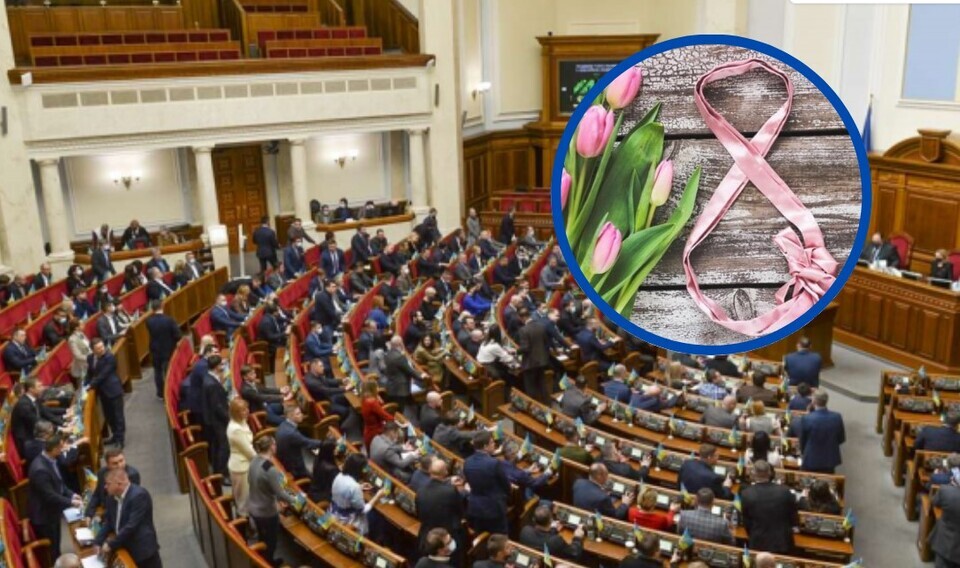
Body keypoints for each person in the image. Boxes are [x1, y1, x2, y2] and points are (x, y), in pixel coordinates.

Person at [93, 467, 162, 567]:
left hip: (142, 551)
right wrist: (98, 541)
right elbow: (109, 521)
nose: (105, 487)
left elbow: (131, 526)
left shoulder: (139, 496)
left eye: (108, 484)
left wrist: (111, 544)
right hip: (124, 547)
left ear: (119, 484)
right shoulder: (111, 497)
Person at [28, 435, 83, 557]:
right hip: (44, 517)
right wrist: (71, 502)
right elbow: (49, 496)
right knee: (53, 550)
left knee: (57, 543)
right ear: (54, 449)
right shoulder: (40, 470)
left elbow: (59, 483)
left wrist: (72, 494)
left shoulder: (51, 460)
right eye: (61, 448)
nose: (63, 450)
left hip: (53, 512)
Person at [248, 435, 296, 566]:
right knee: (271, 540)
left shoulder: (254, 460)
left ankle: (262, 559)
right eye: (274, 444)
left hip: (253, 506)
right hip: (266, 512)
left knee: (262, 538)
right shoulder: (270, 469)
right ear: (271, 447)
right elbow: (281, 494)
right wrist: (297, 500)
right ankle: (268, 563)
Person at [740, 460, 798, 553]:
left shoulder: (746, 494)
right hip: (782, 541)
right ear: (770, 473)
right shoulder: (785, 491)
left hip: (758, 542)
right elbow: (793, 516)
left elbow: (746, 522)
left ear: (753, 473)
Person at [415, 458, 467, 559]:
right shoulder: (450, 491)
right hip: (448, 534)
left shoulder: (420, 491)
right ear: (446, 472)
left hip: (428, 534)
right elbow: (460, 512)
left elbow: (419, 514)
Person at [464, 431, 511, 534]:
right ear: (485, 446)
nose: (494, 444)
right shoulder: (494, 463)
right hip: (494, 509)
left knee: (482, 537)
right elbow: (506, 485)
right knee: (499, 538)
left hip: (475, 508)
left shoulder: (467, 462)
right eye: (492, 442)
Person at [331, 452, 385, 536]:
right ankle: (373, 538)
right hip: (345, 521)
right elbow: (363, 510)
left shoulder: (339, 476)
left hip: (332, 513)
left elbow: (345, 490)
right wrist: (377, 496)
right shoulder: (354, 487)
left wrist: (360, 487)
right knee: (377, 516)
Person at [86, 338, 126, 447]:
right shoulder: (90, 358)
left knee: (118, 416)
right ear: (93, 350)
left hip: (113, 390)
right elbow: (89, 374)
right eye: (98, 348)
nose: (102, 349)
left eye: (102, 346)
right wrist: (85, 384)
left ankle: (120, 440)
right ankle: (115, 436)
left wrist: (90, 385)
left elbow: (103, 375)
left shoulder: (109, 357)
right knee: (109, 416)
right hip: (103, 393)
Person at [84, 448, 141, 521]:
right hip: (103, 508)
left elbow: (128, 503)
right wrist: (88, 515)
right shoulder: (102, 473)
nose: (120, 465)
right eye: (115, 463)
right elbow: (97, 494)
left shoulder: (132, 475)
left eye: (121, 461)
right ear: (108, 465)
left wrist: (102, 516)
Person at [12, 378, 65, 455]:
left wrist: (65, 416)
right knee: (61, 443)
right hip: (29, 443)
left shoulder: (33, 399)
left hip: (38, 433)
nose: (43, 388)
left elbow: (46, 412)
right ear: (31, 389)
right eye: (39, 386)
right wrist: (60, 429)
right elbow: (38, 422)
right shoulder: (23, 405)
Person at [798, 392, 845, 474]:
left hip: (811, 458)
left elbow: (802, 441)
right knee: (828, 480)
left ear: (813, 401)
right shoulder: (837, 417)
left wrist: (803, 453)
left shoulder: (807, 418)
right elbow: (841, 439)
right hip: (830, 459)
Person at [518, 505, 584, 561]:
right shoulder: (556, 541)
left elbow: (541, 538)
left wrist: (553, 530)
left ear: (534, 519)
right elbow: (575, 553)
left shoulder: (525, 531)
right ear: (551, 521)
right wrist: (577, 538)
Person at [145, 300, 181, 399]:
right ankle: (169, 393)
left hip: (155, 349)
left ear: (152, 309)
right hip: (168, 349)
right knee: (168, 371)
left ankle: (160, 393)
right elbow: (178, 335)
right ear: (162, 306)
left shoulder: (149, 321)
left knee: (157, 372)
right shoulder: (169, 320)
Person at [276, 405, 324, 480]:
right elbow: (308, 443)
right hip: (294, 469)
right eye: (298, 414)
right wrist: (325, 443)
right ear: (290, 416)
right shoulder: (291, 433)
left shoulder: (283, 424)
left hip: (287, 459)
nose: (301, 415)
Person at [384, 336, 428, 416]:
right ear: (400, 344)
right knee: (400, 410)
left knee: (403, 404)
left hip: (391, 384)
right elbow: (409, 371)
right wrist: (421, 376)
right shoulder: (400, 357)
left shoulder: (388, 354)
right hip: (401, 388)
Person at [201, 355, 231, 476]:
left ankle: (217, 470)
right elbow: (217, 406)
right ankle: (222, 473)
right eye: (221, 364)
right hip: (217, 421)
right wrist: (229, 418)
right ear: (217, 367)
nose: (222, 366)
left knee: (217, 445)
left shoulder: (208, 377)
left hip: (212, 419)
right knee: (223, 446)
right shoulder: (212, 384)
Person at [227, 398, 255, 515]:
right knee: (243, 501)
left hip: (245, 463)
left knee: (246, 497)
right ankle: (243, 522)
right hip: (241, 467)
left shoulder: (241, 421)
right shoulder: (235, 429)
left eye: (246, 408)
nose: (247, 411)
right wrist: (262, 461)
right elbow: (248, 451)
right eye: (243, 410)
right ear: (235, 413)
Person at [517, 311, 550, 402]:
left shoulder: (523, 330)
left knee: (530, 388)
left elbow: (525, 348)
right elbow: (546, 343)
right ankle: (547, 404)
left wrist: (516, 351)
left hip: (530, 363)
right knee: (542, 385)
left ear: (523, 318)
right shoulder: (541, 326)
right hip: (542, 361)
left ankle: (533, 406)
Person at [360, 379, 394, 451]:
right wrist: (395, 420)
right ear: (372, 389)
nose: (378, 388)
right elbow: (385, 416)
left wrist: (379, 400)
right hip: (375, 433)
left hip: (368, 431)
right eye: (377, 387)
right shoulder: (372, 402)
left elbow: (379, 409)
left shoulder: (364, 399)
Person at [308, 439, 339, 503]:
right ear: (330, 451)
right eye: (335, 449)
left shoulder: (318, 459)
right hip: (325, 495)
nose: (337, 451)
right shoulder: (332, 470)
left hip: (314, 490)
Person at [66, 319, 90, 387]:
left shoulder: (82, 334)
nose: (84, 325)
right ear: (76, 328)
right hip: (81, 367)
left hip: (88, 363)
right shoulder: (72, 339)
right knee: (84, 387)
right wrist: (90, 358)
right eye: (82, 324)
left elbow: (88, 347)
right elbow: (78, 356)